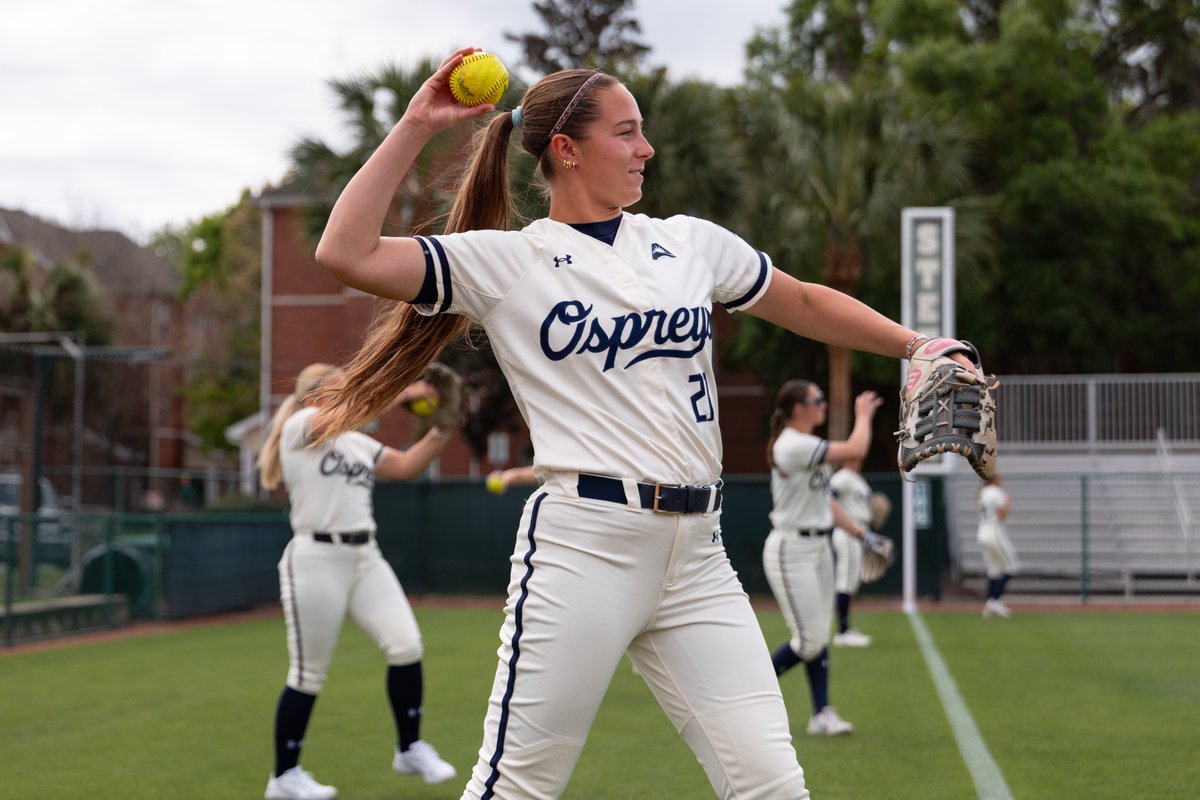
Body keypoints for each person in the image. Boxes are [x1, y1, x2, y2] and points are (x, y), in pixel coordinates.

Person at [311, 48, 980, 799]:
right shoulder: (510, 263)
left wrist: (919, 344)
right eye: (626, 133)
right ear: (566, 150)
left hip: (698, 556)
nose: (646, 148)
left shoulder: (690, 243)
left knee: (772, 786)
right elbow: (346, 253)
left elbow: (802, 303)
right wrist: (416, 124)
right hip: (585, 548)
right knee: (516, 789)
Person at [256, 363, 458, 800]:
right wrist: (402, 390)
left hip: (365, 557)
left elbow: (405, 466)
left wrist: (441, 429)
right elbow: (348, 411)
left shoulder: (356, 442)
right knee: (309, 674)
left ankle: (410, 748)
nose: (354, 391)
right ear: (314, 396)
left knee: (406, 647)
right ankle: (284, 777)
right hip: (316, 558)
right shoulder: (300, 427)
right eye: (343, 386)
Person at [762, 383, 881, 737]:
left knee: (819, 634)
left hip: (818, 546)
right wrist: (863, 415)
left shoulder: (805, 446)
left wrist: (863, 534)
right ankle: (744, 699)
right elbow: (857, 448)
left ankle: (822, 714)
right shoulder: (793, 443)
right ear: (799, 408)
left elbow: (827, 504)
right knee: (808, 640)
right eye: (817, 401)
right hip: (791, 549)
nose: (823, 405)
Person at [829, 458, 875, 647]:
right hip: (847, 531)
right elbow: (828, 496)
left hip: (859, 532)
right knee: (845, 581)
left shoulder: (857, 479)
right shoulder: (843, 477)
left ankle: (846, 628)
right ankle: (843, 631)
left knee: (851, 581)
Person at [977, 473, 1018, 619]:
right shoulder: (996, 492)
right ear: (995, 480)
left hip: (982, 531)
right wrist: (1008, 502)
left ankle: (992, 603)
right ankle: (993, 601)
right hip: (994, 531)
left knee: (994, 569)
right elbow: (1002, 514)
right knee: (1011, 566)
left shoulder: (982, 492)